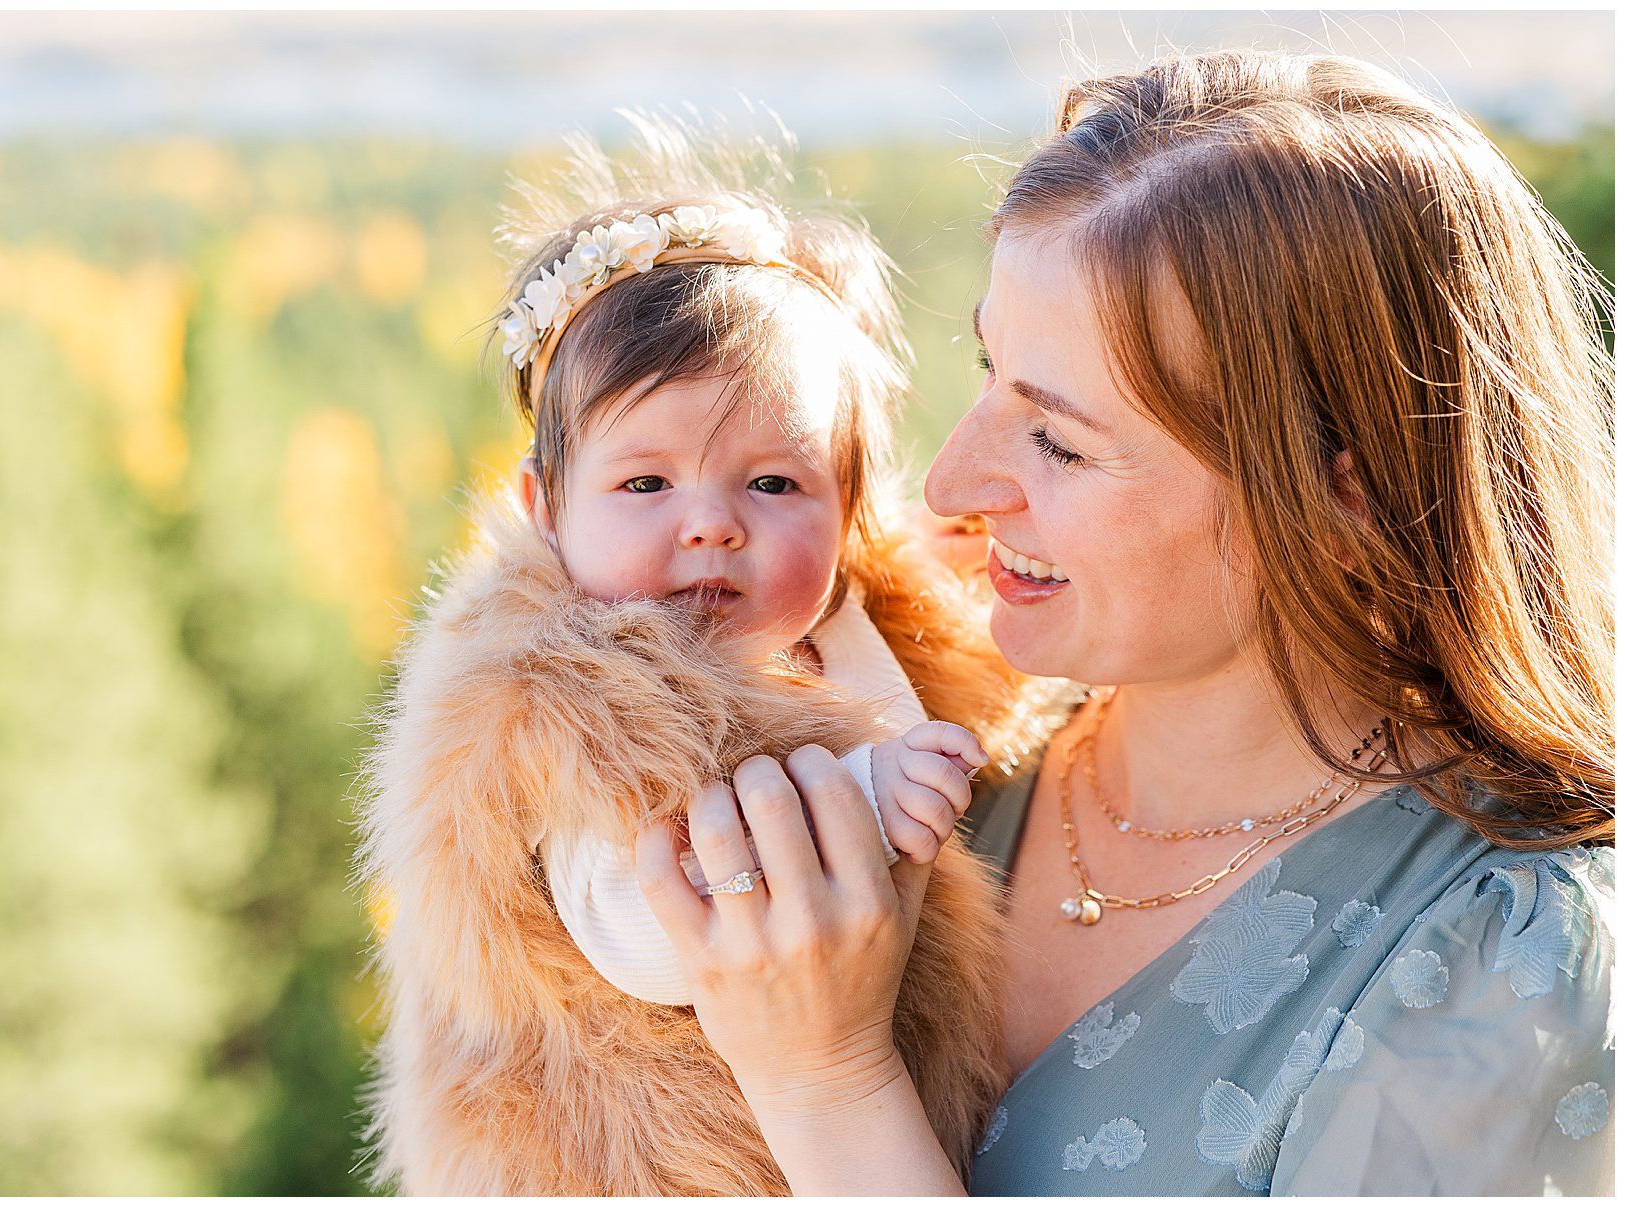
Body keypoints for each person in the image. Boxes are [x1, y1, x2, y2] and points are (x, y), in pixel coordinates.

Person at [636, 50, 1615, 1195]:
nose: (952, 482)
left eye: (1059, 441)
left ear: (1342, 497)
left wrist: (824, 1081)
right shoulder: (927, 760)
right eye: (990, 369)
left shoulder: (1502, 965)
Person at [353, 120, 1073, 1194]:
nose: (712, 525)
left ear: (849, 515)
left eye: (774, 484)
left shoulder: (825, 625)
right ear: (545, 511)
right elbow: (641, 929)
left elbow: (922, 711)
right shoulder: (568, 700)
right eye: (646, 485)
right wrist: (866, 794)